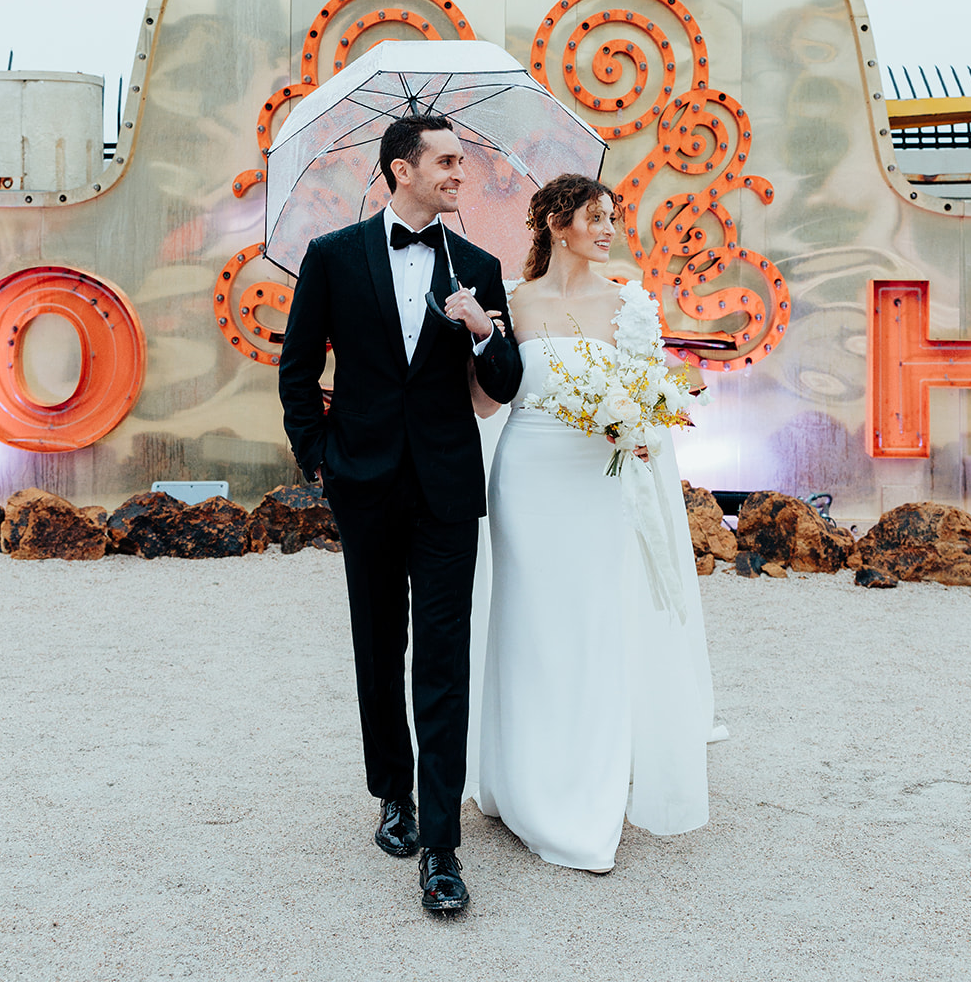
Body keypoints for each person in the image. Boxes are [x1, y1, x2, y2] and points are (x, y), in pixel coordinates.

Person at [278, 114, 522, 914]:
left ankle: (442, 846)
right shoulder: (333, 257)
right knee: (379, 642)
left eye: (463, 160)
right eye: (447, 160)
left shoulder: (479, 265)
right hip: (365, 480)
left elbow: (509, 381)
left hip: (449, 488)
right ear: (400, 170)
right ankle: (392, 792)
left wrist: (483, 328)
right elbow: (298, 365)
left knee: (443, 659)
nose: (461, 172)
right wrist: (320, 455)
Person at [472, 173, 715, 872]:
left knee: (594, 626)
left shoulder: (628, 304)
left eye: (612, 218)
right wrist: (478, 340)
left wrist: (645, 418)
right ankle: (521, 782)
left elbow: (652, 392)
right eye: (596, 217)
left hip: (599, 484)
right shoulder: (512, 304)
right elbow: (486, 405)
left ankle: (586, 791)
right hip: (526, 479)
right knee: (530, 627)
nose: (608, 230)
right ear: (556, 223)